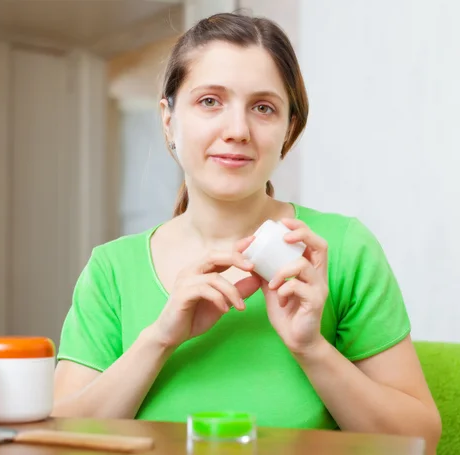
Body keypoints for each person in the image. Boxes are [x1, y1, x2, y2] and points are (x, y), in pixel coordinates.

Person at [51, 11, 441, 454]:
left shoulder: (344, 251)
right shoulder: (112, 269)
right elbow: (59, 438)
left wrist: (312, 348)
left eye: (263, 108)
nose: (237, 131)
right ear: (168, 119)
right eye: (210, 102)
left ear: (288, 128)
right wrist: (161, 338)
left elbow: (421, 440)